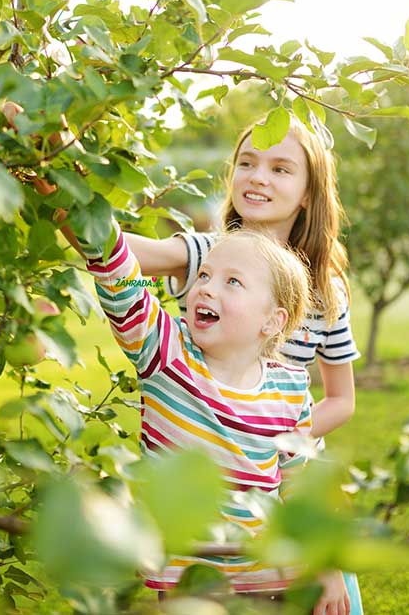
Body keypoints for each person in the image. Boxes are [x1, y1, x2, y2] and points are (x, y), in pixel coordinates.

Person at [122, 116, 363, 614]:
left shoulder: (328, 291)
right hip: (215, 480)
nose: (258, 177)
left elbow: (343, 400)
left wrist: (264, 439)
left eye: (280, 168)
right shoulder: (212, 255)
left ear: (308, 195)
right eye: (247, 163)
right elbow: (124, 261)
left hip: (291, 476)